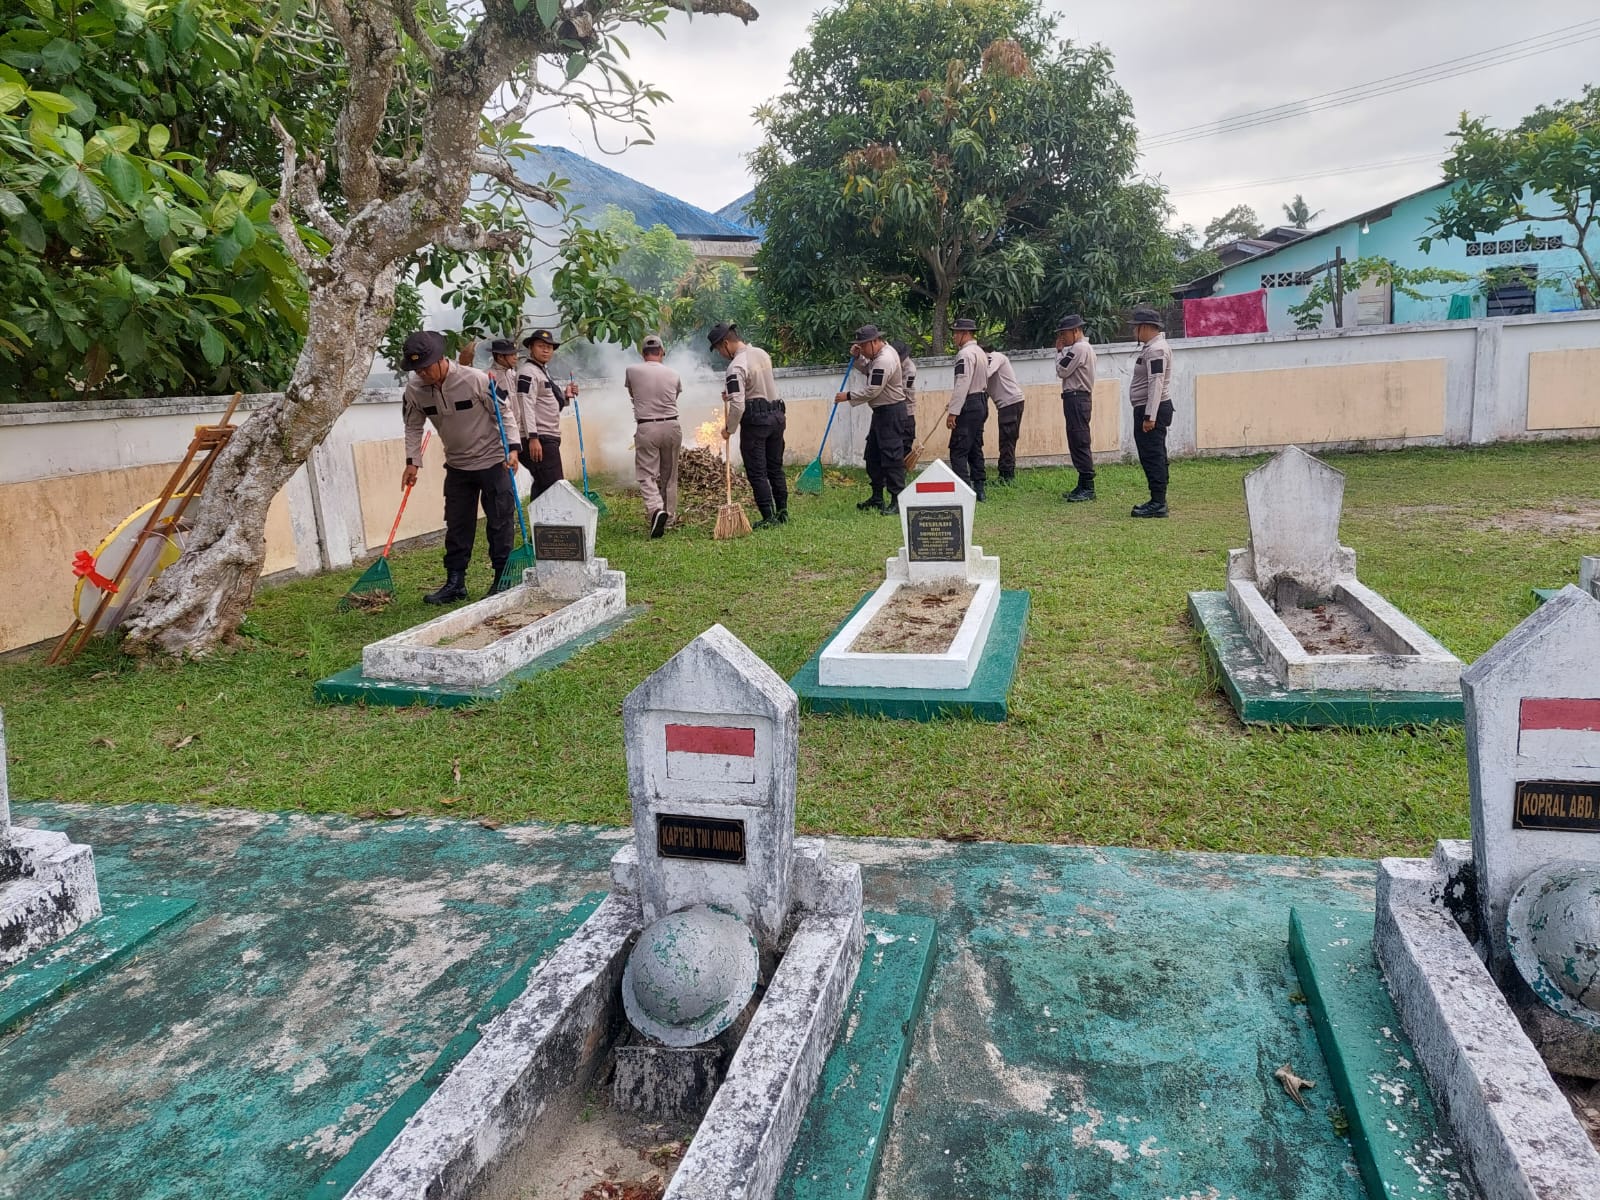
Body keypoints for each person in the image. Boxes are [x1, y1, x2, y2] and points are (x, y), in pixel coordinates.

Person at [399, 331, 520, 604]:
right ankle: (455, 582)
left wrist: (513, 449)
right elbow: (413, 427)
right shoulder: (415, 390)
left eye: (426, 367)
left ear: (441, 359)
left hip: (493, 461)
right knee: (457, 524)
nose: (422, 374)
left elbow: (505, 413)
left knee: (500, 521)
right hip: (457, 466)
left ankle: (503, 577)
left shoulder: (474, 379)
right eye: (416, 369)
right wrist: (412, 462)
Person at [710, 321, 787, 529]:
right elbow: (756, 385)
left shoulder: (735, 367)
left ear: (726, 343)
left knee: (757, 471)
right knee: (775, 468)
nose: (720, 354)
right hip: (777, 416)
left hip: (756, 422)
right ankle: (783, 512)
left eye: (719, 349)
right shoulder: (762, 353)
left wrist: (728, 429)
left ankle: (768, 516)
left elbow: (737, 405)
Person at [834, 324, 909, 514]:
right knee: (873, 455)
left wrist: (848, 396)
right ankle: (877, 497)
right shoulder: (878, 356)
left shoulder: (885, 359)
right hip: (881, 413)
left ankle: (897, 500)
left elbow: (873, 389)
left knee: (891, 456)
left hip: (891, 412)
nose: (863, 350)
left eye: (864, 346)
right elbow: (869, 370)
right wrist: (858, 357)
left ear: (875, 342)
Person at [625, 334, 683, 539]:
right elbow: (675, 395)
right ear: (662, 352)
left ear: (643, 354)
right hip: (672, 425)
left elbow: (633, 395)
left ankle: (656, 509)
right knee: (669, 475)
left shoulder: (631, 371)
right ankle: (670, 516)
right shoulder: (673, 373)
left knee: (646, 474)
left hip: (647, 427)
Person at [515, 328, 576, 502]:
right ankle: (554, 526)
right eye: (541, 346)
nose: (546, 350)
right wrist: (532, 438)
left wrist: (565, 396)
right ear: (531, 348)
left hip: (548, 436)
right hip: (539, 438)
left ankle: (541, 526)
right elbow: (525, 404)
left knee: (544, 487)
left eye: (549, 347)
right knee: (555, 486)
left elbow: (546, 404)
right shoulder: (528, 372)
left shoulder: (542, 371)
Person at [1128, 305, 1174, 518]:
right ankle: (1158, 499)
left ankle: (1158, 503)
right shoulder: (1152, 347)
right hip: (1149, 408)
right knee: (1154, 453)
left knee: (1152, 454)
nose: (1133, 331)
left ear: (1145, 327)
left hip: (1151, 409)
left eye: (1136, 327)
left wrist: (1149, 416)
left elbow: (1156, 383)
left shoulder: (1156, 350)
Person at [1054, 315, 1098, 502]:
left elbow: (1062, 370)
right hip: (1075, 398)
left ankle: (1088, 486)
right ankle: (1082, 482)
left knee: (1079, 440)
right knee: (1076, 439)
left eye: (1064, 333)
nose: (1062, 337)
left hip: (1077, 398)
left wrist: (1058, 352)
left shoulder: (1079, 348)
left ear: (1076, 331)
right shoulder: (1080, 348)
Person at [946, 317, 989, 499]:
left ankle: (964, 492)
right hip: (980, 401)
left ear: (965, 333)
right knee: (974, 446)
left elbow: (962, 383)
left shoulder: (964, 355)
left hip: (969, 404)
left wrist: (953, 412)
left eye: (956, 333)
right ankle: (979, 488)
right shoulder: (980, 352)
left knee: (958, 449)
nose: (954, 337)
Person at [985, 347, 1024, 485]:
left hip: (1011, 403)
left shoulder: (995, 356)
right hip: (1007, 405)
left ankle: (1007, 476)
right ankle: (1005, 474)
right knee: (1006, 439)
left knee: (1007, 439)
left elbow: (987, 372)